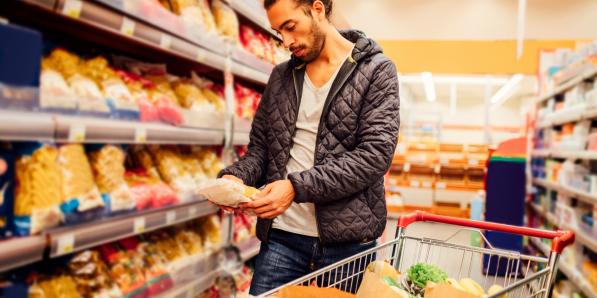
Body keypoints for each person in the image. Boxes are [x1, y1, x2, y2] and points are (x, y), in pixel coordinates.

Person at [218, 0, 400, 295]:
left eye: (290, 27)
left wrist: (295, 187)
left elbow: (374, 155)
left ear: (317, 9)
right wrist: (236, 178)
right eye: (278, 31)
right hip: (283, 237)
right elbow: (261, 150)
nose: (286, 41)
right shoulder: (281, 76)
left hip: (348, 243)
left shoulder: (376, 70)